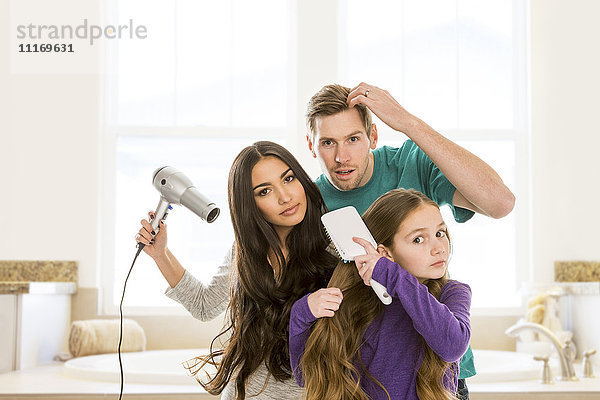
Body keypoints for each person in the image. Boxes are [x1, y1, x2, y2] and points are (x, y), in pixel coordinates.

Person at [304, 83, 515, 398]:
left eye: (353, 139)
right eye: (328, 143)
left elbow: (501, 203)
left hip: (435, 371)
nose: (341, 156)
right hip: (363, 380)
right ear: (311, 145)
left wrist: (409, 124)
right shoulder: (308, 203)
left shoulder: (410, 163)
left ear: (373, 136)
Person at [135, 141, 338, 400]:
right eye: (264, 191)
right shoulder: (245, 251)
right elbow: (205, 306)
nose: (285, 197)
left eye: (288, 179)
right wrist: (161, 254)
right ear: (249, 204)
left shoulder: (333, 246)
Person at [289, 188, 472, 400]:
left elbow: (453, 345)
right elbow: (307, 375)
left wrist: (391, 274)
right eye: (419, 239)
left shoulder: (453, 294)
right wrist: (302, 313)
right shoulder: (357, 305)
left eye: (440, 233)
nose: (439, 248)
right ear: (385, 253)